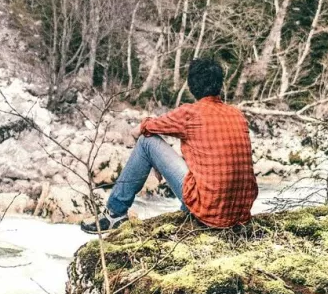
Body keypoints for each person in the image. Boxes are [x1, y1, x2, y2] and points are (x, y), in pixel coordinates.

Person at [80, 57, 257, 233]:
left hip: (209, 211)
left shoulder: (190, 113)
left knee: (146, 141)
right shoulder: (237, 115)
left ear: (191, 86)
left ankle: (114, 213)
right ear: (220, 85)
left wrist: (151, 153)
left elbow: (144, 128)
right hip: (240, 214)